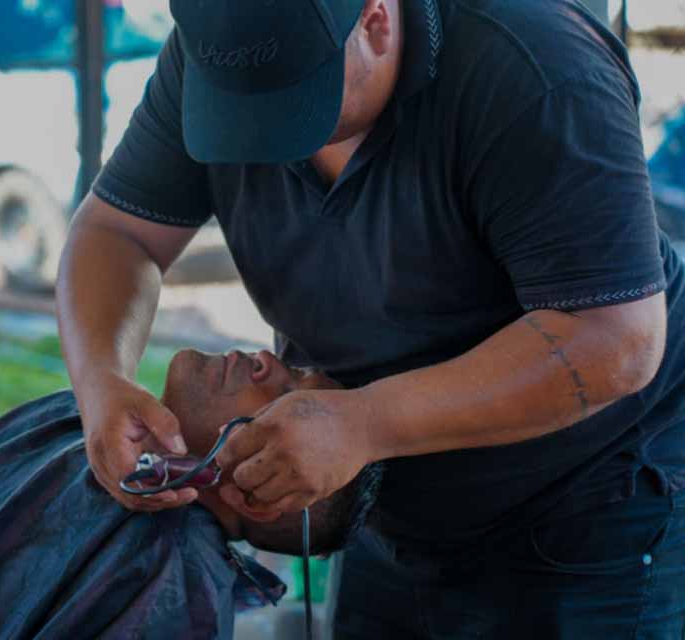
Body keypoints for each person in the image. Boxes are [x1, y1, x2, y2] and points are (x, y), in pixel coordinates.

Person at [56, 0, 685, 636]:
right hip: (385, 494)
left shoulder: (537, 72)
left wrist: (367, 422)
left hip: (586, 499)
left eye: (295, 100)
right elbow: (116, 231)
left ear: (376, 18)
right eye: (245, 113)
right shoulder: (223, 52)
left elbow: (616, 340)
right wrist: (101, 378)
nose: (264, 140)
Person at [0, 349, 381, 640]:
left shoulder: (175, 589)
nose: (265, 360)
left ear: (266, 489)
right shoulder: (71, 419)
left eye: (286, 396)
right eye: (291, 365)